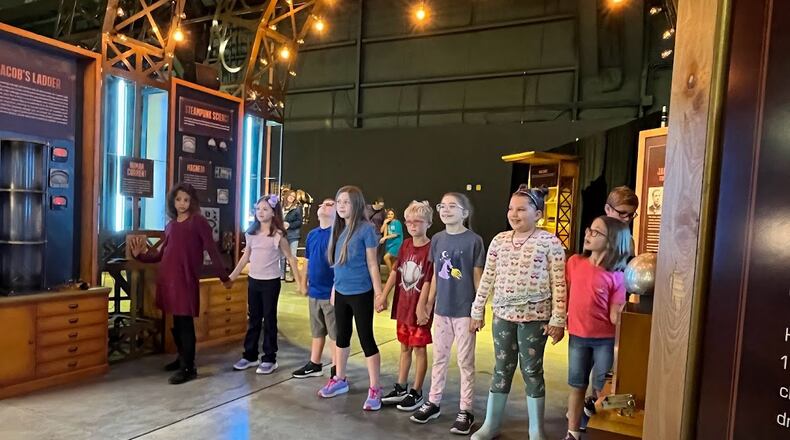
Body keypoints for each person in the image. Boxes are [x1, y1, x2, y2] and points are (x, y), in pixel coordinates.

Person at [470, 185, 567, 440]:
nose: (514, 214)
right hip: (502, 316)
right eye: (511, 208)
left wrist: (558, 319)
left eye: (522, 209)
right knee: (501, 367)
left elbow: (559, 283)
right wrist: (477, 310)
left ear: (538, 214)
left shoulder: (550, 242)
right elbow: (488, 277)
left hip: (535, 319)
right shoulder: (499, 241)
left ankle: (536, 429)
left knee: (532, 370)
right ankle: (491, 424)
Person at [129, 183, 230, 385]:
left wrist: (223, 277)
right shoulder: (171, 225)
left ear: (192, 201)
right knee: (176, 321)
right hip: (169, 279)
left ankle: (188, 367)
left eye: (186, 200)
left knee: (185, 323)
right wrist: (140, 255)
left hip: (185, 279)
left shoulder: (198, 222)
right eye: (178, 199)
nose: (182, 203)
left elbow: (211, 249)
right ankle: (182, 359)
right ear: (172, 202)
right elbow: (161, 255)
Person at [410, 192, 485, 436]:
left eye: (453, 206)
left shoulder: (474, 241)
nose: (446, 210)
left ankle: (466, 409)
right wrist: (428, 303)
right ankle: (433, 402)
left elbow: (477, 277)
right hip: (442, 311)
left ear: (465, 213)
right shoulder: (438, 239)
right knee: (440, 358)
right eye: (443, 205)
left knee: (465, 362)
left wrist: (479, 310)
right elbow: (434, 276)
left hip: (464, 312)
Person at [562, 216, 631, 440]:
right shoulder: (574, 263)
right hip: (577, 337)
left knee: (603, 389)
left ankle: (600, 426)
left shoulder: (617, 276)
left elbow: (614, 315)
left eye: (596, 232)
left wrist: (625, 312)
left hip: (605, 341)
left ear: (612, 241)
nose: (588, 234)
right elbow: (564, 294)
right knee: (576, 385)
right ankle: (572, 432)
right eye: (589, 229)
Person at [318, 186, 385, 412]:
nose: (341, 206)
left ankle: (375, 388)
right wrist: (334, 289)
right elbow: (338, 265)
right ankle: (340, 378)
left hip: (361, 293)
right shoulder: (338, 230)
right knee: (341, 337)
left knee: (366, 338)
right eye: (339, 202)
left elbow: (373, 264)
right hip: (341, 292)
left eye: (346, 202)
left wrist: (379, 294)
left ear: (356, 204)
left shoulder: (366, 230)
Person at [229, 195, 303, 375]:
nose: (260, 212)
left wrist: (300, 283)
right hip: (254, 281)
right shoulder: (251, 233)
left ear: (273, 213)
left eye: (265, 209)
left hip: (271, 282)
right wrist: (232, 277)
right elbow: (245, 257)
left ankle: (270, 358)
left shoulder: (278, 235)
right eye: (258, 209)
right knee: (254, 318)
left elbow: (291, 259)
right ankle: (250, 355)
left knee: (269, 319)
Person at [375, 201, 434, 411]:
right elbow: (395, 272)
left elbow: (429, 279)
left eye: (418, 221)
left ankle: (417, 391)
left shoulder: (431, 248)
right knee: (404, 346)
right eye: (409, 221)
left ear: (428, 223)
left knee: (419, 348)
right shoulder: (406, 244)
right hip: (403, 305)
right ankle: (401, 386)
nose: (412, 225)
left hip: (418, 309)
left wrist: (424, 306)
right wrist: (383, 295)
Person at [293, 197, 338, 379]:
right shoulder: (312, 235)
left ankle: (337, 368)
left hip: (331, 294)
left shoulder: (338, 235)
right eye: (322, 204)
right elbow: (307, 261)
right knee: (317, 330)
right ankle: (315, 363)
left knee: (335, 334)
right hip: (315, 292)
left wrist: (336, 289)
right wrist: (303, 283)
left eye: (329, 204)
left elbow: (340, 266)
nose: (323, 206)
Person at [282, 189, 303, 282]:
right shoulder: (281, 207)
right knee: (282, 256)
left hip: (293, 235)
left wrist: (289, 225)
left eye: (293, 197)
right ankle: (281, 275)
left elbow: (299, 222)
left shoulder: (297, 208)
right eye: (290, 196)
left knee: (292, 256)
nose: (291, 198)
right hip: (282, 235)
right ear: (286, 196)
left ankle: (291, 275)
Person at [380, 208, 404, 275]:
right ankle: (393, 276)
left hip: (396, 243)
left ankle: (390, 274)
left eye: (392, 214)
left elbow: (396, 234)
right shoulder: (387, 223)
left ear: (394, 215)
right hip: (389, 244)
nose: (390, 215)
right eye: (388, 214)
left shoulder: (397, 222)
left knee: (386, 257)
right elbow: (382, 232)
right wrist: (384, 223)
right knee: (392, 261)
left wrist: (385, 238)